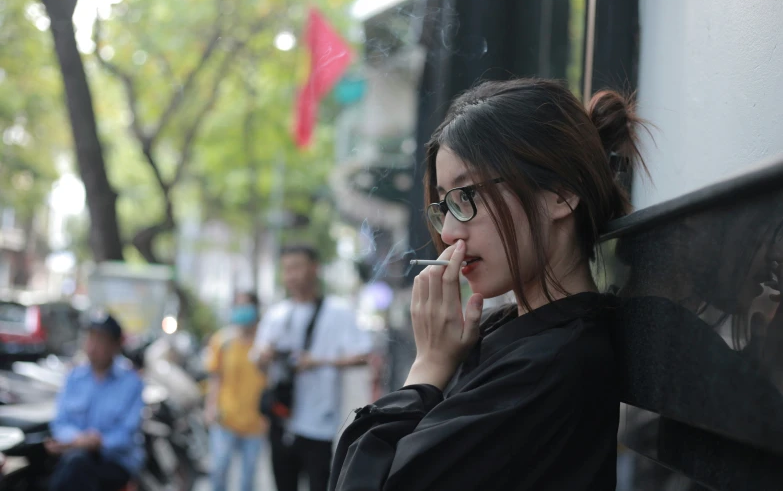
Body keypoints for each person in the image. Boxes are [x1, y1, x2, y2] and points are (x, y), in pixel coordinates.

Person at [328, 78, 650, 491]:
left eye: (466, 197)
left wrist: (428, 366)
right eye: (443, 205)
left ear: (560, 192)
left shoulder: (547, 364)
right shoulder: (523, 334)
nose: (447, 232)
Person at [254, 244, 373, 491]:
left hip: (320, 424)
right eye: (286, 269)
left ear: (314, 268)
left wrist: (319, 362)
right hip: (282, 419)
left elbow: (364, 355)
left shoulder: (338, 311)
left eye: (297, 267)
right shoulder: (277, 314)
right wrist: (267, 356)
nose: (292, 275)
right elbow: (257, 360)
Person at [47, 312, 144, 491]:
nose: (93, 345)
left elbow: (127, 434)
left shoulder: (131, 383)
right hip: (75, 456)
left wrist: (99, 442)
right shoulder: (74, 377)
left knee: (76, 468)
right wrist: (79, 439)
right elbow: (60, 423)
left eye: (100, 339)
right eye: (90, 338)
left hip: (114, 461)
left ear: (115, 345)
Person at [204, 292, 267, 491]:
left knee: (247, 479)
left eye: (246, 307)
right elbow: (216, 377)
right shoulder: (222, 341)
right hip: (225, 419)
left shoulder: (265, 343)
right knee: (219, 470)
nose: (242, 312)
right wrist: (210, 407)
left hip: (255, 422)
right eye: (238, 306)